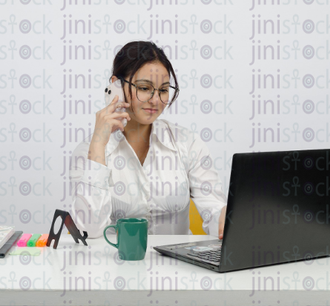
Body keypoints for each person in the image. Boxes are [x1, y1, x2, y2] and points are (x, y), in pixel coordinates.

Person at [70, 41, 227, 239]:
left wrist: (225, 219)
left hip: (177, 267)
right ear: (116, 85)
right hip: (114, 266)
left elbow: (214, 209)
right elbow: (88, 230)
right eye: (145, 88)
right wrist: (99, 144)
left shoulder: (187, 143)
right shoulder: (89, 151)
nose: (155, 100)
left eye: (163, 90)